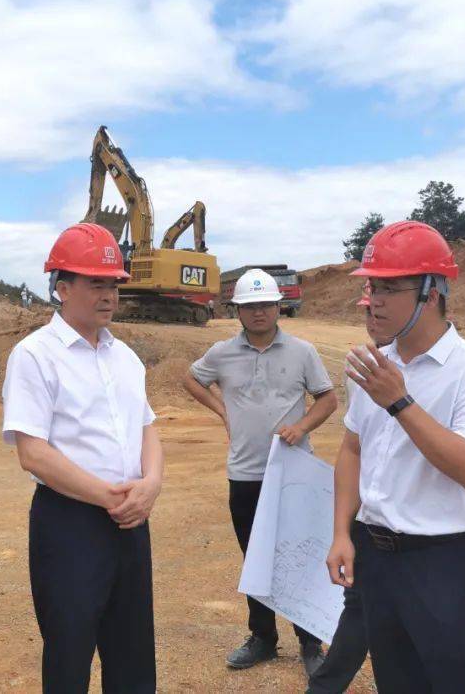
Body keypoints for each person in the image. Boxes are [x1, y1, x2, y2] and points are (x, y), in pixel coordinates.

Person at [327, 221, 465, 693]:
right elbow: (352, 449)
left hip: (447, 563)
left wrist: (400, 403)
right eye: (373, 286)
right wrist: (341, 534)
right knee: (399, 682)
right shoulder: (373, 366)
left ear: (432, 292)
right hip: (378, 559)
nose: (376, 300)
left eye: (391, 288)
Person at [3, 222, 163, 693]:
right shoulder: (34, 355)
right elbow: (32, 453)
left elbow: (147, 428)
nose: (108, 294)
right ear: (62, 288)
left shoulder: (126, 359)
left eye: (113, 284)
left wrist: (151, 483)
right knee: (69, 651)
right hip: (70, 523)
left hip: (132, 522)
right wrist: (111, 496)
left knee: (133, 651)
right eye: (96, 283)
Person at [182, 268, 338, 677]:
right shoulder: (220, 353)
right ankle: (263, 638)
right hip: (245, 474)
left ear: (278, 306)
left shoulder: (302, 351)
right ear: (237, 311)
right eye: (250, 307)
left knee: (299, 558)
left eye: (266, 305)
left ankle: (310, 643)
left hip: (291, 472)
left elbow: (328, 399)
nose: (259, 313)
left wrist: (301, 427)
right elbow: (192, 379)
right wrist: (222, 411)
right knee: (255, 558)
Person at [305, 281, 386, 694]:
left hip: (423, 537)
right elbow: (353, 448)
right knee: (358, 613)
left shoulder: (462, 371)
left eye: (379, 309)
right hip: (369, 524)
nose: (373, 319)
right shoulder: (359, 367)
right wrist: (343, 530)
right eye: (367, 311)